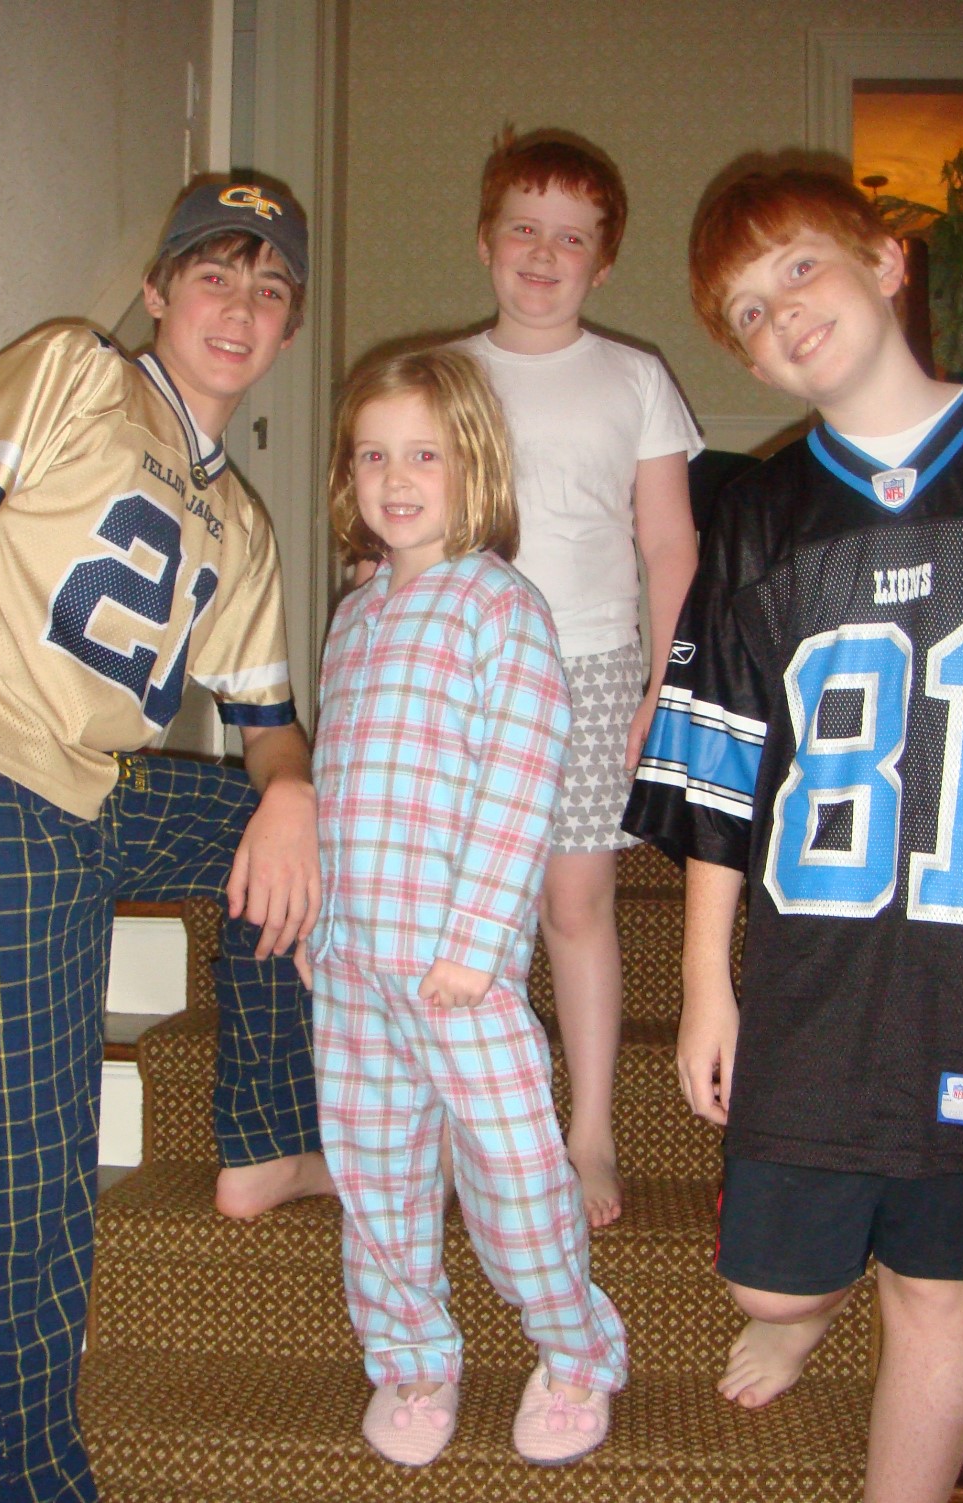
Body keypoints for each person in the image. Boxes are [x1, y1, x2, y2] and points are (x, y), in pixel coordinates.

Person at [0, 177, 332, 1503]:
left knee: (298, 829)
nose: (238, 307)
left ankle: (260, 1136)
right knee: (18, 1203)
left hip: (86, 795)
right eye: (213, 275)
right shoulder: (71, 373)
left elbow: (265, 725)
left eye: (268, 287)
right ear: (158, 289)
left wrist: (292, 785)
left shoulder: (239, 523)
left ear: (289, 322)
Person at [623, 165, 963, 1503]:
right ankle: (795, 1313)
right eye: (745, 311)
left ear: (885, 259)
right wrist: (704, 976)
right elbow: (717, 756)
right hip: (816, 969)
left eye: (795, 267)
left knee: (940, 1288)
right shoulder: (753, 509)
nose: (778, 314)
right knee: (767, 1263)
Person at [304, 348, 627, 1469]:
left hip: (460, 971)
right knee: (376, 1180)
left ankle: (576, 1351)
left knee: (515, 1176)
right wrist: (323, 928)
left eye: (424, 456)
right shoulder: (353, 615)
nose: (397, 478)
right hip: (354, 969)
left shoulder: (501, 607)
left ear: (473, 464)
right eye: (374, 455)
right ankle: (410, 1362)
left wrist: (477, 944)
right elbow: (340, 788)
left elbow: (519, 786)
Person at [459, 127, 702, 1227]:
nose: (545, 254)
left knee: (576, 896)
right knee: (474, 910)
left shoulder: (637, 379)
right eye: (525, 229)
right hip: (466, 669)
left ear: (603, 264)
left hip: (598, 666)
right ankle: (484, 1123)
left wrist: (665, 680)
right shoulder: (444, 375)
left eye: (572, 238)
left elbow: (669, 547)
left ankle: (588, 1127)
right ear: (485, 242)